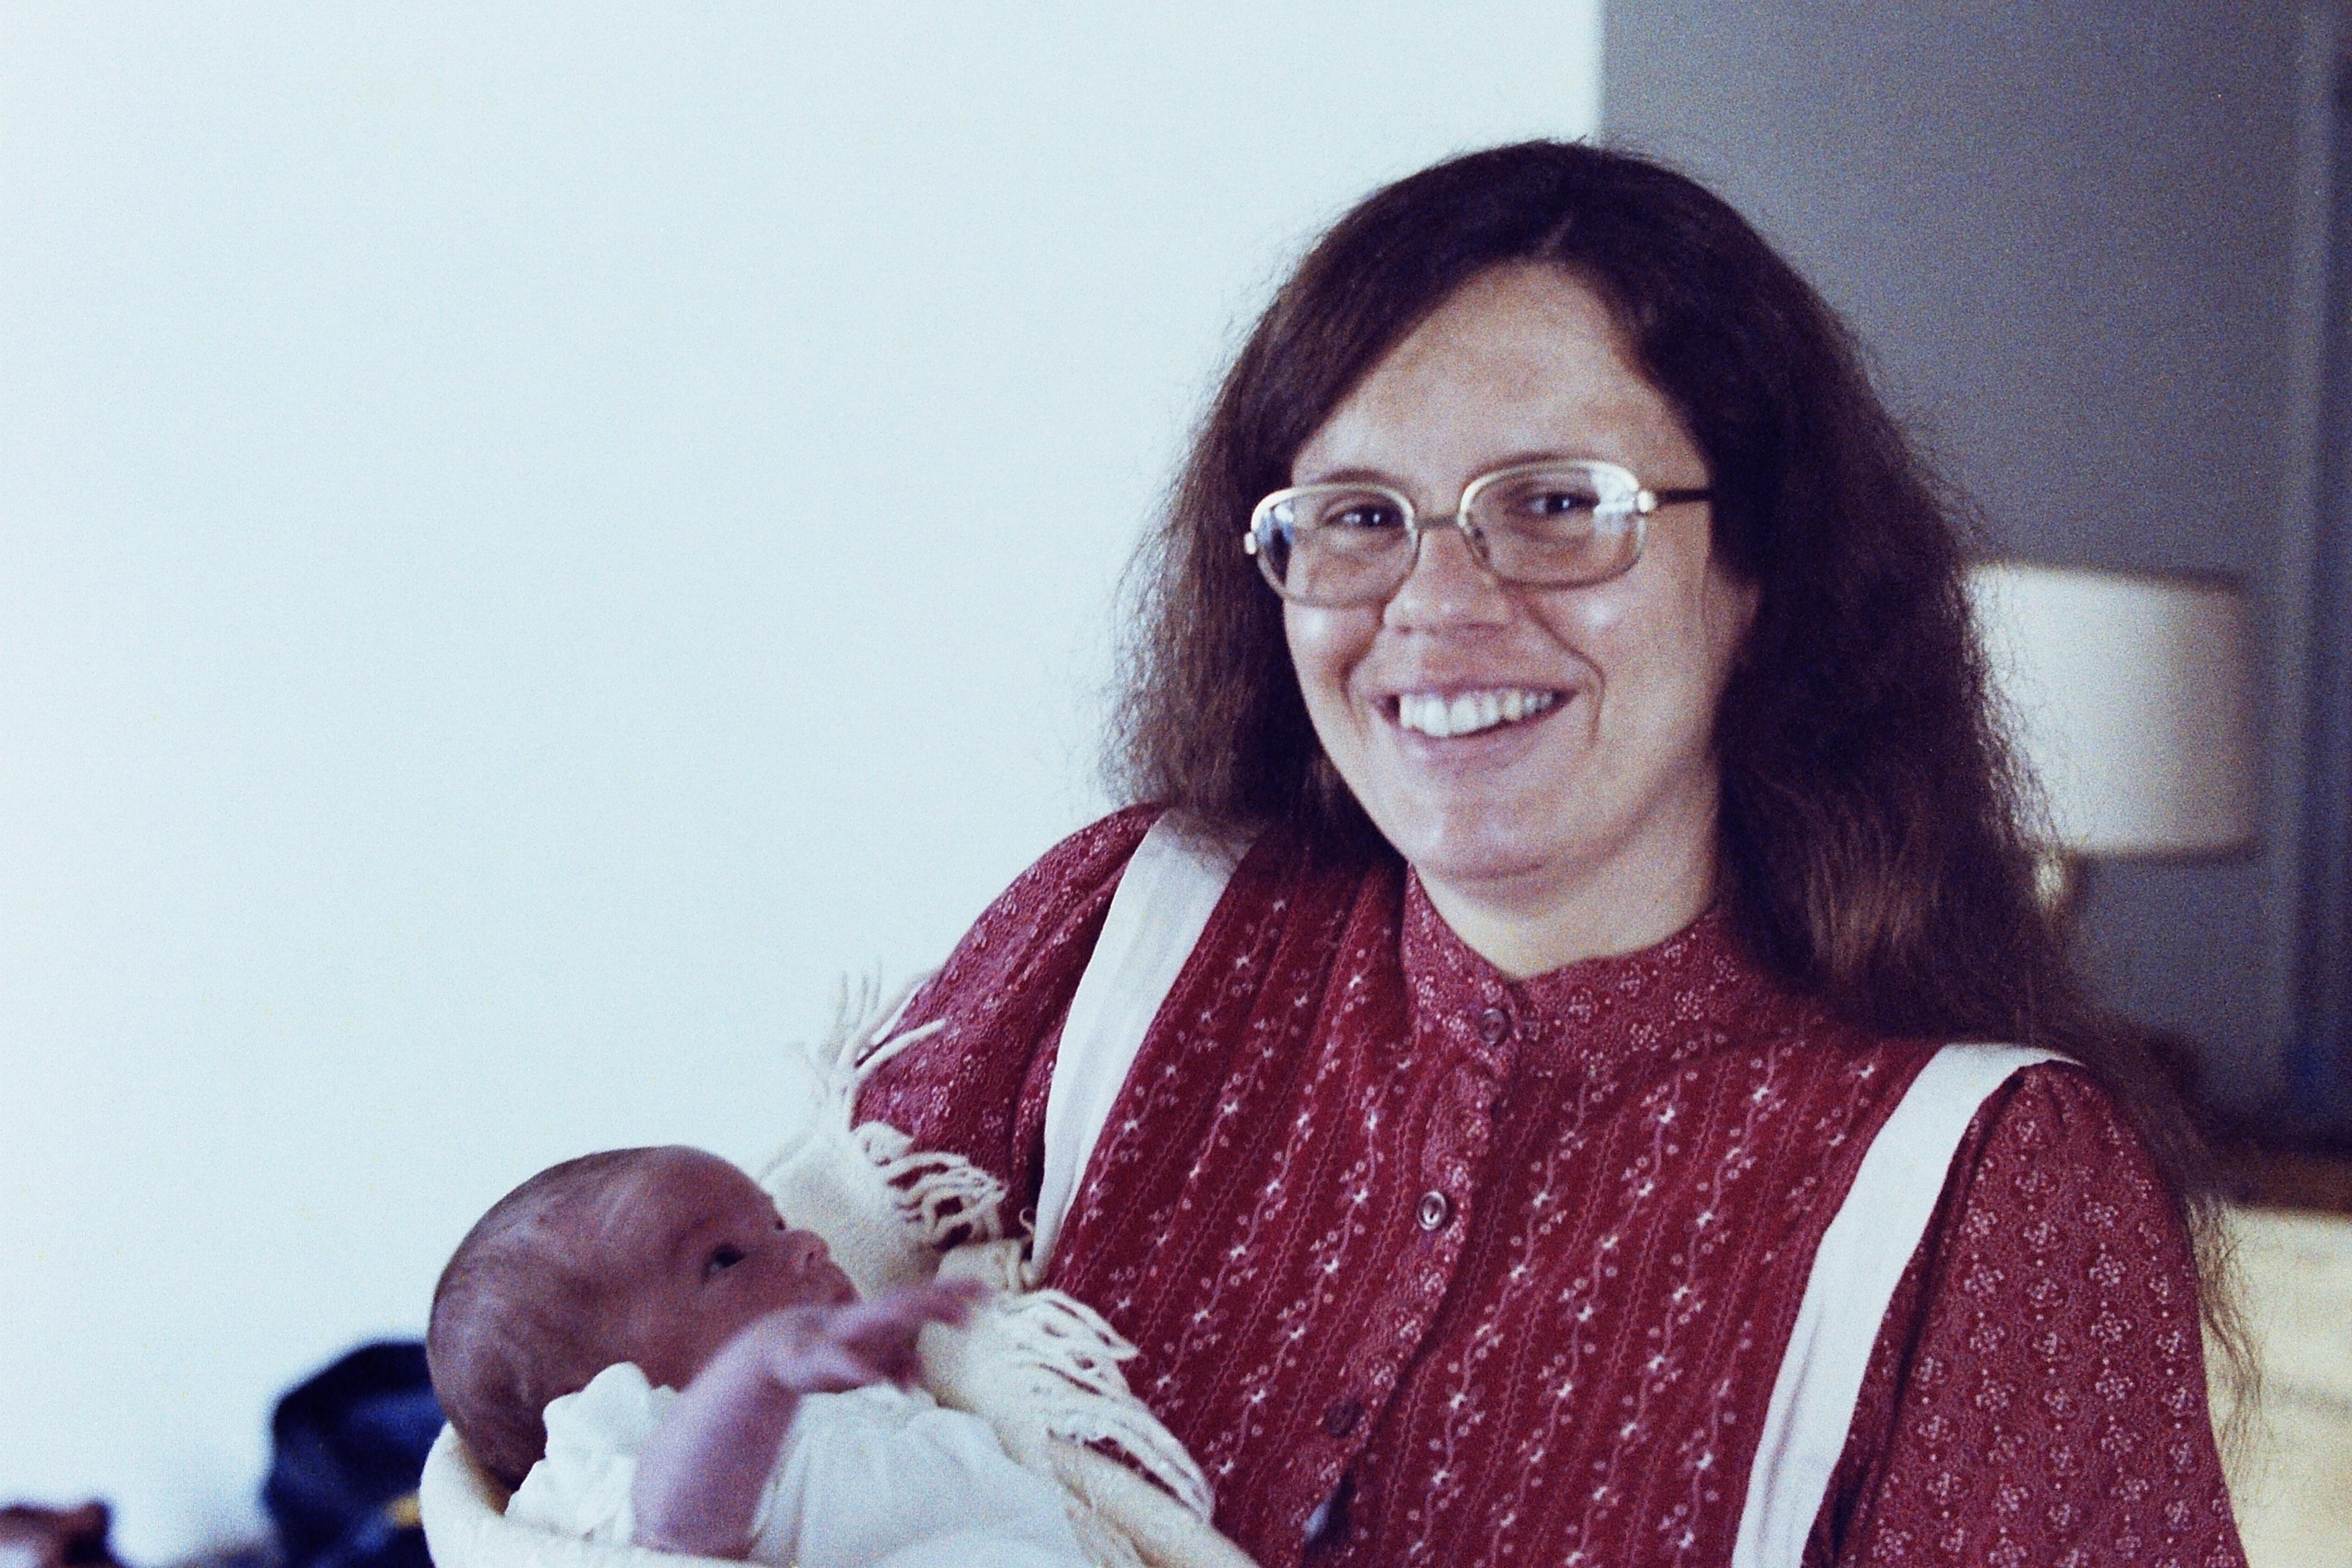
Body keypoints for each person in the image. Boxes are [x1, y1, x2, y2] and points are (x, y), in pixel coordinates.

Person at [857, 142, 2248, 1566]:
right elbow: (738, 1416)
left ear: (1766, 568)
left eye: (1558, 505)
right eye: (1360, 518)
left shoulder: (1996, 1187)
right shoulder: (1113, 935)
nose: (1436, 605)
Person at [425, 1146, 1090, 1568]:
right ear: (596, 1384)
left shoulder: (851, 1402)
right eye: (724, 1260)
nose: (805, 1243)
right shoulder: (617, 1435)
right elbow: (672, 1532)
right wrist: (757, 1372)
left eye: (777, 1223)